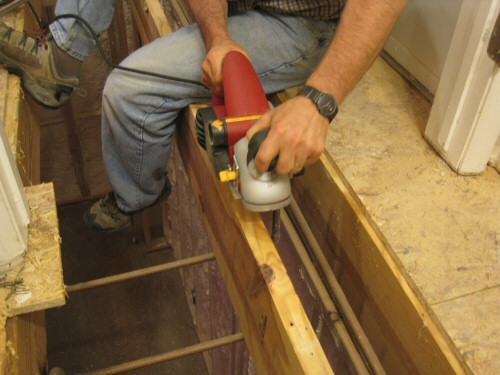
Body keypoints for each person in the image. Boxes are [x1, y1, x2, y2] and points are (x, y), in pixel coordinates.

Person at [0, 0, 407, 232]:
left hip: (300, 22)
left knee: (128, 91)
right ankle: (62, 57)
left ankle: (136, 196)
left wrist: (319, 101)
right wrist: (219, 38)